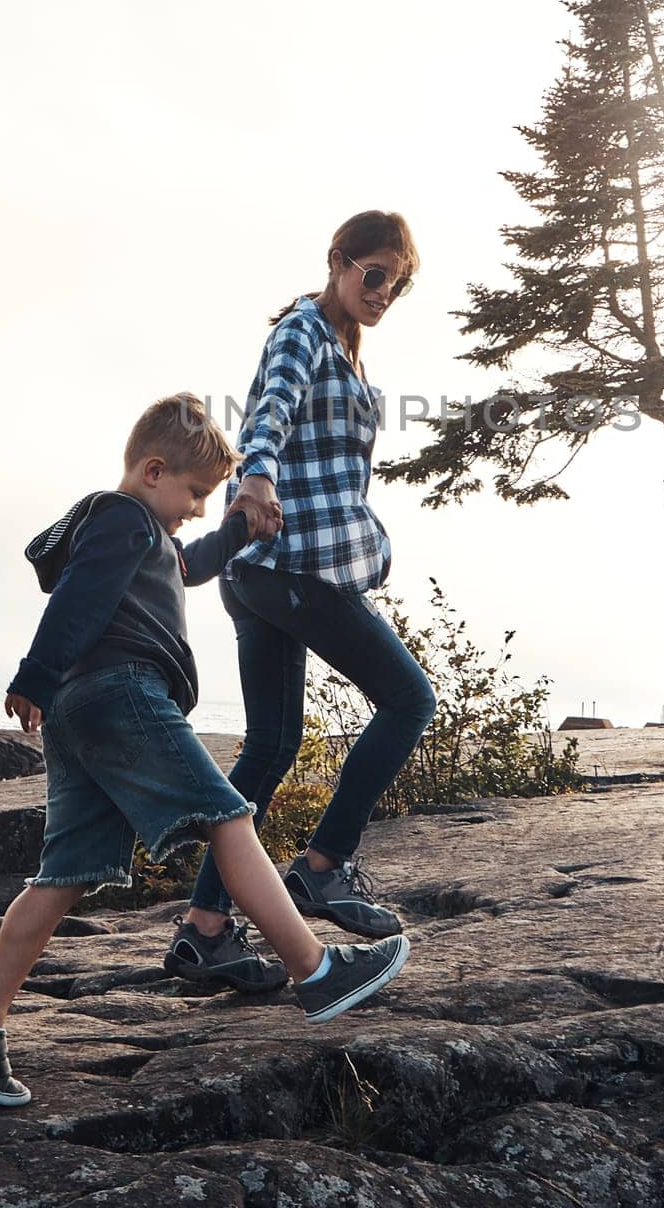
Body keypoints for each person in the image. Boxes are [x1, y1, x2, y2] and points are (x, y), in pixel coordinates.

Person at [0, 393, 410, 1108]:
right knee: (228, 818)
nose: (194, 507)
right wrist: (34, 672)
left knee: (64, 874)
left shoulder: (139, 533)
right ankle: (315, 972)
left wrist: (239, 527)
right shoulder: (120, 519)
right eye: (193, 493)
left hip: (82, 710)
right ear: (154, 471)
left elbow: (186, 565)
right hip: (122, 694)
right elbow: (80, 599)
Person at [165, 211, 435, 985]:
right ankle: (323, 865)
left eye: (399, 282)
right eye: (375, 274)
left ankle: (204, 930)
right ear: (339, 263)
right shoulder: (305, 335)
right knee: (410, 699)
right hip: (292, 564)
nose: (385, 291)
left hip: (261, 573)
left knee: (272, 746)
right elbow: (269, 413)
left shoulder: (342, 349)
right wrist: (254, 476)